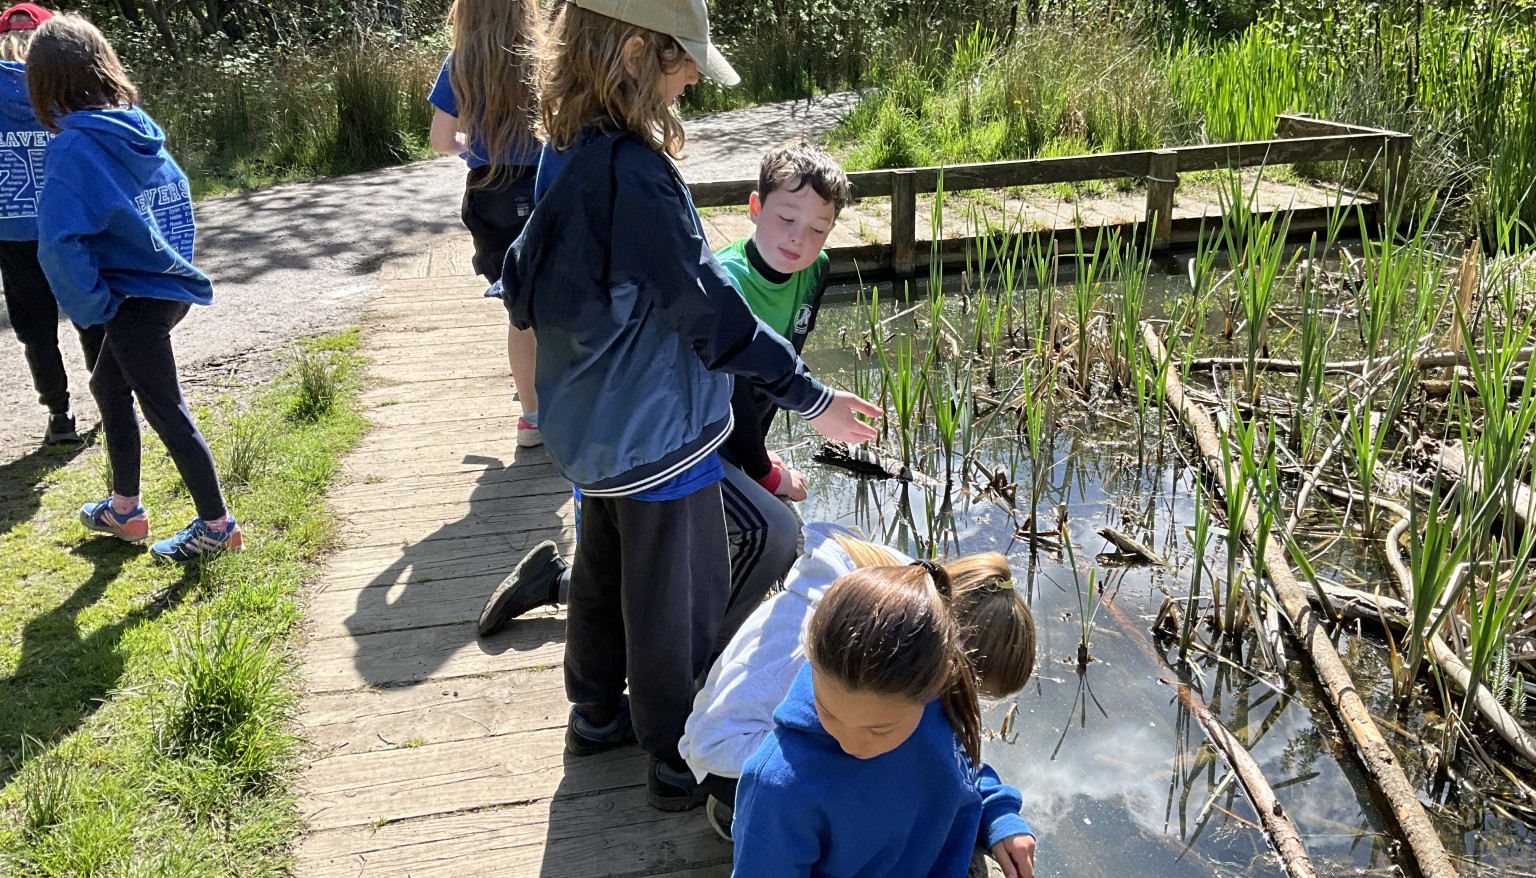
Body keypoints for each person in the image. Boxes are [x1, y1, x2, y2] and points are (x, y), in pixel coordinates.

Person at [497, 0, 879, 812]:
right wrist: (813, 399)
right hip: (656, 436)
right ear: (635, 53)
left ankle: (595, 714)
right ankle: (676, 759)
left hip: (588, 425)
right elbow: (708, 310)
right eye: (681, 65)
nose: (691, 82)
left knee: (602, 573)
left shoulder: (567, 145)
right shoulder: (635, 170)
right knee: (675, 603)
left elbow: (526, 279)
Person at [477, 139, 852, 651]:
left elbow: (768, 383)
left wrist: (758, 456)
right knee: (770, 537)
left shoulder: (816, 270)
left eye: (817, 229)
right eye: (787, 219)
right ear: (755, 208)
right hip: (685, 439)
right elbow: (733, 387)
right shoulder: (728, 285)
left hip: (730, 442)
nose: (799, 240)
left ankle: (558, 583)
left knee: (699, 559)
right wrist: (764, 471)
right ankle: (702, 661)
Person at [28, 13, 240, 562]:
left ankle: (216, 525)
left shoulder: (73, 148)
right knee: (107, 386)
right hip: (166, 291)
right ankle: (125, 510)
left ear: (44, 83)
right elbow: (176, 207)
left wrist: (93, 305)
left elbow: (57, 244)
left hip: (129, 301)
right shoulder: (139, 128)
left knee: (165, 406)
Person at [680, 523, 1037, 842]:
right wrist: (846, 766)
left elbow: (949, 749)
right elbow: (707, 745)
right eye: (959, 688)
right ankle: (747, 815)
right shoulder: (805, 643)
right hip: (726, 756)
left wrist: (997, 809)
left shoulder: (913, 614)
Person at [731, 562, 1038, 878]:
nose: (851, 744)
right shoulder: (778, 790)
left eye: (879, 729)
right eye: (828, 712)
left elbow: (961, 771)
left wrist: (1001, 815)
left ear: (942, 679)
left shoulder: (937, 702)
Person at [427, 0, 544, 448]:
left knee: (520, 316)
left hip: (489, 194)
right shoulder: (543, 55)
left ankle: (531, 419)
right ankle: (572, 405)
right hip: (543, 191)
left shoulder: (460, 64)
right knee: (561, 304)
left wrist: (472, 148)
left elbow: (440, 139)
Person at [0, 1, 103, 447]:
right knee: (91, 313)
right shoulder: (68, 86)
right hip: (72, 222)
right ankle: (114, 401)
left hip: (12, 230)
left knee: (35, 328)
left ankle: (60, 416)